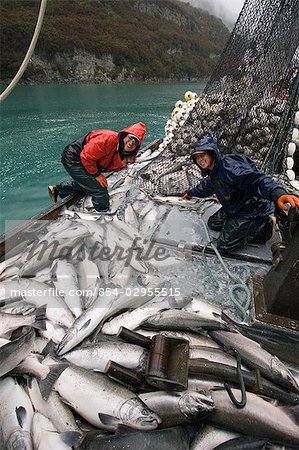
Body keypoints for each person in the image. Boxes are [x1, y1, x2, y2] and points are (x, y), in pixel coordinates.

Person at [182, 135, 299, 253]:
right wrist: (190, 194)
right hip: (234, 206)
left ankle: (266, 225)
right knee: (213, 223)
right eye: (197, 157)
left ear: (211, 153)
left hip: (252, 210)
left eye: (203, 155)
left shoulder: (230, 168)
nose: (200, 160)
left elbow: (257, 181)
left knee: (224, 246)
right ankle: (239, 224)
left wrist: (278, 193)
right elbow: (206, 186)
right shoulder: (214, 171)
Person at [48, 123, 146, 212]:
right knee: (100, 190)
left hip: (89, 162)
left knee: (90, 183)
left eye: (135, 142)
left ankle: (58, 190)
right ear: (124, 135)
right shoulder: (107, 138)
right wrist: (97, 175)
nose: (131, 143)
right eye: (130, 138)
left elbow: (112, 163)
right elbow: (86, 157)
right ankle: (103, 215)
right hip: (74, 158)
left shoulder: (122, 151)